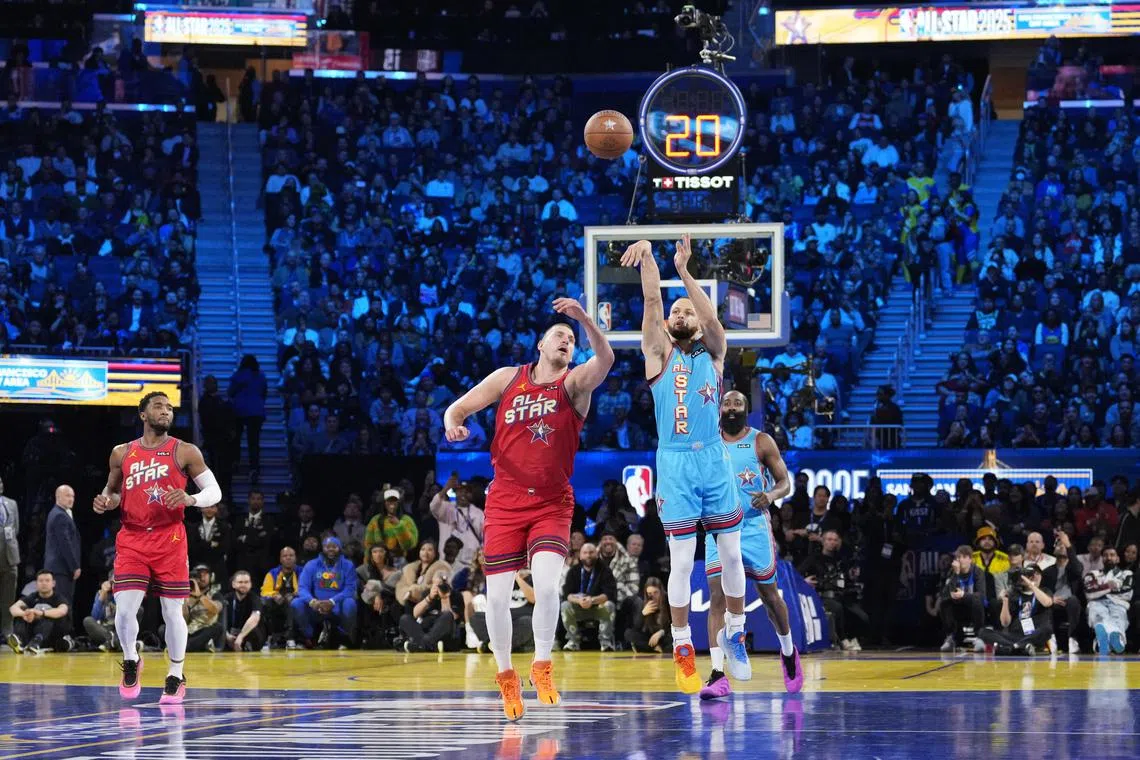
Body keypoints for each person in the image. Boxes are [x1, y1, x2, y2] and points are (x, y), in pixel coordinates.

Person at [443, 297, 614, 721]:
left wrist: (585, 320)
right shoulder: (508, 378)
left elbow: (606, 359)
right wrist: (452, 423)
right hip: (504, 500)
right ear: (540, 344)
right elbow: (458, 407)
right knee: (496, 598)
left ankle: (541, 665)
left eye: (571, 339)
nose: (566, 340)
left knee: (548, 585)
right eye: (559, 334)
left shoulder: (574, 385)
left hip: (552, 504)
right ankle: (505, 676)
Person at [620, 236, 750, 693]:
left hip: (713, 458)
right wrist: (651, 259)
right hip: (673, 464)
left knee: (731, 553)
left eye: (686, 311)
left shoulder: (713, 352)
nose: (679, 314)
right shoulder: (658, 353)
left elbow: (712, 318)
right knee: (680, 561)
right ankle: (681, 645)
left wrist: (686, 270)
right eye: (677, 312)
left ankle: (735, 631)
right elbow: (653, 300)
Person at [92, 391, 223, 704]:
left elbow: (214, 491)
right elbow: (112, 492)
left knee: (171, 610)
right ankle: (131, 658)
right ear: (142, 413)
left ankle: (175, 674)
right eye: (159, 406)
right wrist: (105, 501)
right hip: (133, 537)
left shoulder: (185, 451)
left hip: (170, 538)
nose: (166, 411)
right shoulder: (122, 453)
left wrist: (191, 499)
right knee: (123, 611)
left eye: (169, 407)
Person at [701, 390, 801, 699]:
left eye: (738, 403)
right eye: (727, 403)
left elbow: (786, 482)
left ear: (747, 409)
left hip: (754, 528)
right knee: (717, 596)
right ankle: (717, 674)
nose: (731, 408)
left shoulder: (761, 441)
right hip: (718, 529)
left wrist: (770, 495)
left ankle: (787, 652)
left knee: (770, 596)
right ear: (719, 409)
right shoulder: (706, 442)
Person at [291, 536, 357, 648]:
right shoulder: (311, 564)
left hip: (337, 606)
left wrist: (332, 601)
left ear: (340, 548)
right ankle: (309, 636)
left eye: (334, 547)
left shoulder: (348, 565)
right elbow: (302, 588)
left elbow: (350, 589)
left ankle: (343, 638)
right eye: (327, 547)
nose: (331, 549)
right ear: (322, 549)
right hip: (316, 607)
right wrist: (312, 601)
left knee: (350, 603)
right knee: (296, 603)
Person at [977, 563, 1053, 655]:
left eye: (1037, 574)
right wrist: (1005, 601)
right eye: (1031, 574)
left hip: (1035, 634)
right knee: (983, 632)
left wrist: (1031, 586)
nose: (1034, 577)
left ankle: (1011, 647)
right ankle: (1019, 647)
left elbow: (1047, 603)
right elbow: (1005, 623)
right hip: (1015, 635)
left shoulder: (1045, 591)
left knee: (1047, 629)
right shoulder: (1014, 594)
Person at [6, 570, 70, 654]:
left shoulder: (59, 598)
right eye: (41, 581)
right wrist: (25, 614)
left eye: (47, 580)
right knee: (21, 614)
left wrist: (41, 613)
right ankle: (19, 641)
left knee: (48, 619)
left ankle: (36, 642)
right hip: (34, 630)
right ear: (36, 584)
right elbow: (13, 608)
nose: (44, 583)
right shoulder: (32, 596)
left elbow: (62, 611)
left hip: (52, 634)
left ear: (53, 583)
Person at [1085, 546, 1134, 655]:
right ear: (1102, 558)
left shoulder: (1127, 574)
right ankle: (1117, 642)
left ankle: (1101, 643)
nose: (1109, 557)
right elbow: (1089, 592)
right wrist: (1109, 586)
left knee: (1118, 617)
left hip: (1118, 604)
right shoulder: (1092, 574)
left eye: (1112, 555)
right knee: (1099, 617)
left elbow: (1126, 593)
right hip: (1097, 603)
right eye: (1106, 555)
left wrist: (1100, 589)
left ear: (1118, 558)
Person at [228, 354, 268, 482]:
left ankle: (235, 462)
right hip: (257, 411)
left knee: (236, 439)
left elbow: (231, 392)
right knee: (253, 442)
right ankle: (254, 468)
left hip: (239, 410)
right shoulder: (261, 376)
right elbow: (264, 392)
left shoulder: (238, 375)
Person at [43, 484, 81, 604]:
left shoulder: (57, 513)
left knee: (60, 603)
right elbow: (65, 544)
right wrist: (74, 566)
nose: (71, 499)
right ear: (58, 497)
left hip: (58, 568)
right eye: (67, 496)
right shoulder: (60, 515)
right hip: (61, 568)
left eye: (73, 496)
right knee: (63, 603)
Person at [223, 571, 266, 652]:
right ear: (233, 584)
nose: (243, 585)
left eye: (246, 582)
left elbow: (254, 618)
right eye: (240, 582)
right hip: (230, 635)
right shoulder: (226, 598)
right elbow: (218, 619)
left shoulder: (255, 599)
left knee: (254, 629)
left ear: (250, 584)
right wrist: (226, 635)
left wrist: (241, 636)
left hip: (247, 635)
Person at [0, 476, 20, 641]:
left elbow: (16, 529)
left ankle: (7, 633)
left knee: (8, 598)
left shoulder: (11, 503)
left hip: (10, 556)